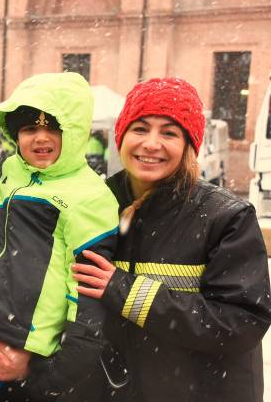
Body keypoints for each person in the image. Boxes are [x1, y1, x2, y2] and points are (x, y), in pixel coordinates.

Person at [0, 72, 120, 402]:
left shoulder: (90, 197)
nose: (40, 138)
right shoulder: (16, 172)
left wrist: (50, 371)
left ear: (73, 131)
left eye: (52, 126)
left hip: (13, 340)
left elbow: (87, 297)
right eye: (29, 128)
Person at [72, 77, 271, 401]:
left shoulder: (227, 218)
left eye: (169, 132)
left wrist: (125, 290)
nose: (151, 144)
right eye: (140, 129)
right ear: (121, 137)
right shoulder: (97, 205)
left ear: (189, 145)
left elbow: (241, 322)